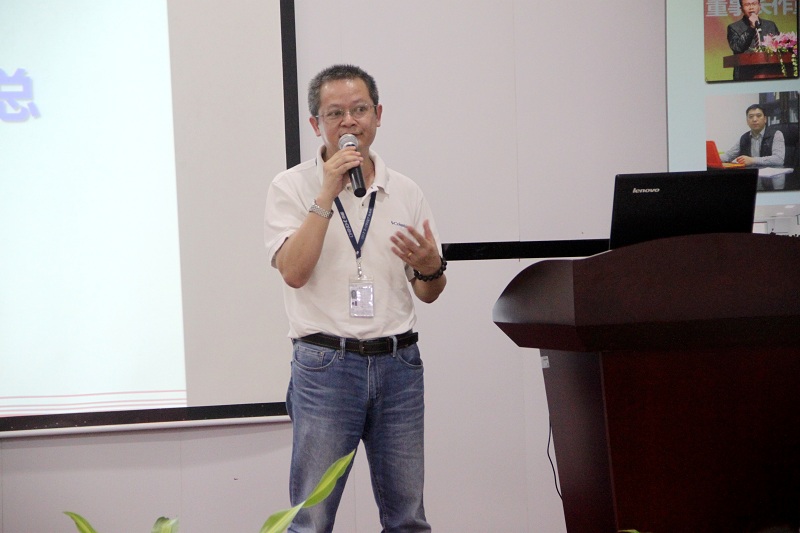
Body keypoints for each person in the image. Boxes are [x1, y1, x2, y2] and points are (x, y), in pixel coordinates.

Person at [264, 64, 446, 533]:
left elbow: (428, 291)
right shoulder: (290, 187)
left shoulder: (405, 191)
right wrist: (326, 193)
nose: (349, 121)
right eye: (335, 113)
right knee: (311, 520)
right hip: (326, 367)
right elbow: (294, 273)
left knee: (408, 519)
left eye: (359, 109)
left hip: (399, 366)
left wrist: (431, 267)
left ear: (378, 115)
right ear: (316, 124)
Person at [721, 103, 786, 189]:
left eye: (758, 116)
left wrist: (752, 160)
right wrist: (712, 159)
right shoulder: (744, 138)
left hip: (772, 181)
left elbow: (778, 159)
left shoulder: (776, 134)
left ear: (765, 119)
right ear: (747, 121)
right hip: (751, 180)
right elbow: (728, 155)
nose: (754, 119)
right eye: (751, 117)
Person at [727, 0, 780, 80]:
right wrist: (752, 27)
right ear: (741, 9)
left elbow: (779, 46)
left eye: (754, 4)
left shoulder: (770, 25)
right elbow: (737, 47)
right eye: (747, 5)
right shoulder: (734, 27)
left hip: (770, 72)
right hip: (745, 74)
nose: (751, 7)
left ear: (759, 6)